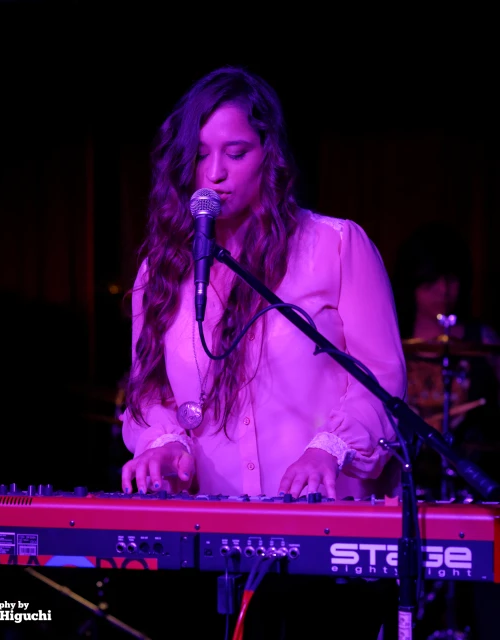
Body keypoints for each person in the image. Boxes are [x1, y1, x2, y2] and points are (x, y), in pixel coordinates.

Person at [118, 66, 407, 639]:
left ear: (268, 155)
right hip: (214, 546)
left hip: (329, 539)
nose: (216, 173)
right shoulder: (161, 272)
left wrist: (330, 449)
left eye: (236, 152)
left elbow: (381, 376)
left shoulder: (335, 244)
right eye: (200, 155)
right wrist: (163, 444)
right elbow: (151, 390)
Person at [391, 222, 500, 640]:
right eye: (431, 282)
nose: (443, 291)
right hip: (413, 473)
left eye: (451, 280)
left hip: (470, 469)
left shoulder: (479, 340)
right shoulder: (394, 341)